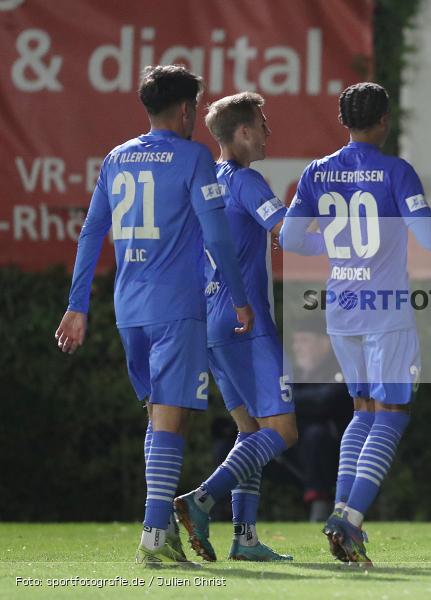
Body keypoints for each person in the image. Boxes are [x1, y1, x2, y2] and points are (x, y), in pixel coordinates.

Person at [54, 65, 253, 567]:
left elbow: (91, 233)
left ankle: (160, 525)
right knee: (173, 415)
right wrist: (239, 295)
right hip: (176, 305)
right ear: (187, 111)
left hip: (129, 308)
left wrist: (78, 305)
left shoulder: (117, 158)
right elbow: (217, 234)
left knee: (161, 415)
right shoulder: (194, 157)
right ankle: (152, 532)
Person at [280, 82, 431, 565]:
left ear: (343, 120)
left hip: (341, 311)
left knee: (363, 411)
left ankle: (344, 511)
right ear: (385, 120)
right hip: (385, 313)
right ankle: (348, 519)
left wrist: (334, 244)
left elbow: (288, 238)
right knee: (391, 415)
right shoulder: (396, 171)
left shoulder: (317, 172)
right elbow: (430, 238)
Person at [173, 92, 298, 562]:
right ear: (243, 132)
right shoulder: (247, 181)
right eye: (262, 125)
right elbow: (284, 228)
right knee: (283, 431)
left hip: (211, 319)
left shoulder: (209, 184)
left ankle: (244, 539)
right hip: (247, 320)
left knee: (251, 433)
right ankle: (201, 499)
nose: (268, 133)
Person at [288, 318, 354, 522]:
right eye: (295, 341)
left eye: (304, 341)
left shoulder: (341, 368)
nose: (297, 347)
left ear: (324, 343)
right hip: (293, 447)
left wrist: (282, 400)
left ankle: (321, 504)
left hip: (335, 451)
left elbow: (324, 400)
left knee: (315, 435)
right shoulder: (295, 372)